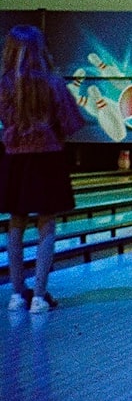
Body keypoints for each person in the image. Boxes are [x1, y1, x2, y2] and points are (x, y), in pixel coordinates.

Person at [1, 25, 85, 314]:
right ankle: (38, 296)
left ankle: (16, 294)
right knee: (46, 224)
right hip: (48, 159)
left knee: (16, 223)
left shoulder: (3, 85)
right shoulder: (54, 84)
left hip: (14, 160)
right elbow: (72, 124)